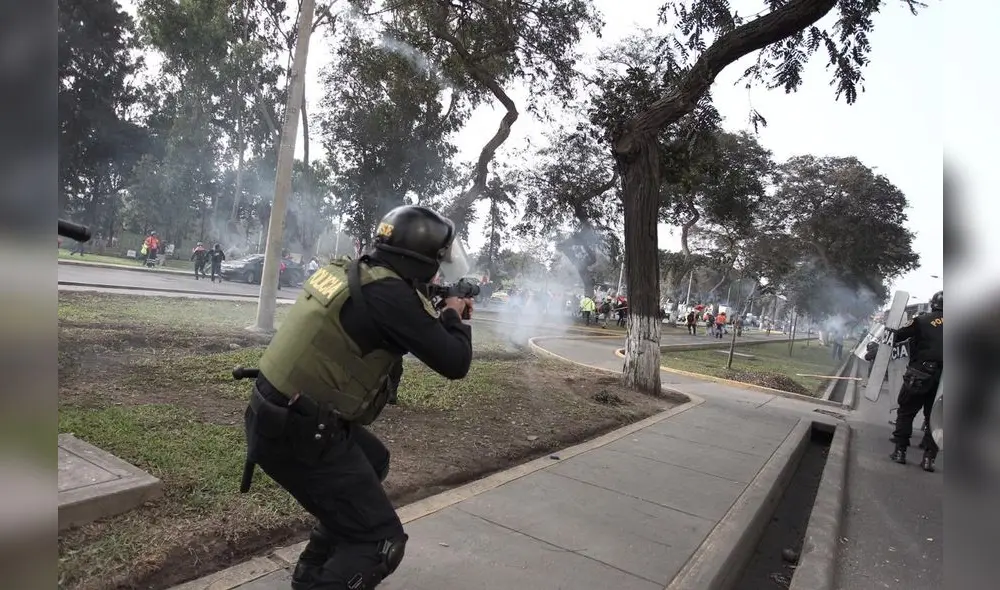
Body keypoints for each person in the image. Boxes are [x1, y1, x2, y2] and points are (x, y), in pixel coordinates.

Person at [242, 205, 474, 590]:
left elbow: (378, 316)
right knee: (381, 542)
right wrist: (454, 315)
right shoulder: (390, 297)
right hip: (300, 431)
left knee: (373, 460)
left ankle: (312, 571)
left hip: (274, 413)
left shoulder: (355, 272)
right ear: (419, 258)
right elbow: (455, 362)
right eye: (436, 260)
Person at [888, 290, 943, 472]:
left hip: (920, 373)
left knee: (906, 412)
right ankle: (928, 459)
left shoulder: (922, 320)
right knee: (937, 419)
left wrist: (890, 330)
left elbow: (897, 336)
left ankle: (900, 452)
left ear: (933, 304)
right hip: (944, 380)